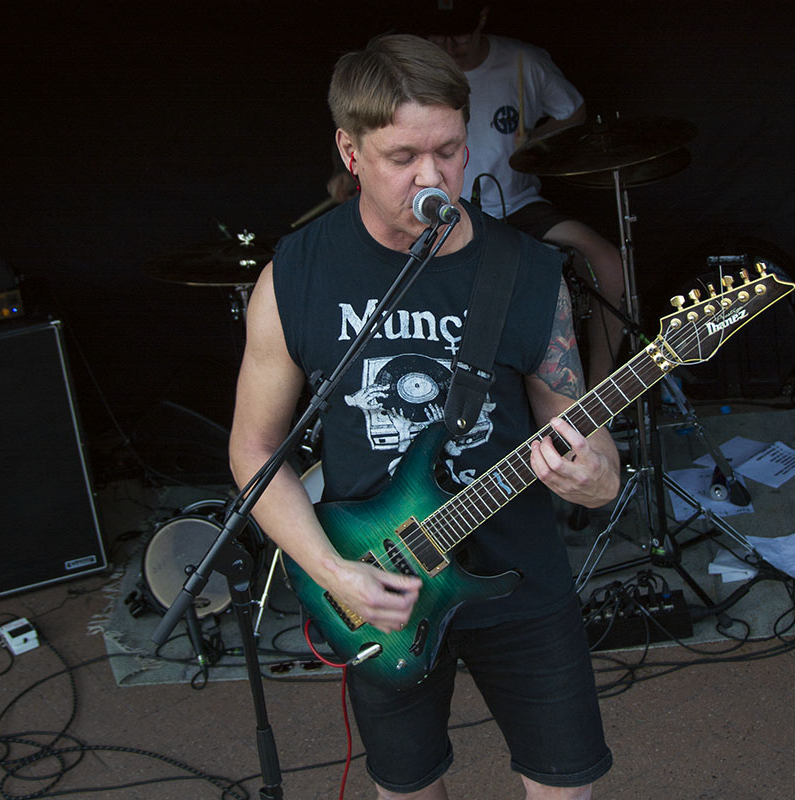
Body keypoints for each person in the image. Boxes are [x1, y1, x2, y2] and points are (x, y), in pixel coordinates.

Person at [230, 33, 619, 800]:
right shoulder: (297, 274)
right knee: (407, 788)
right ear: (350, 151)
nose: (432, 176)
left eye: (449, 150)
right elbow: (254, 450)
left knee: (564, 784)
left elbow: (582, 428)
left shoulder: (526, 271)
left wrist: (598, 478)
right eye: (403, 156)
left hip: (519, 577)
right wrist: (333, 572)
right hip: (374, 577)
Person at [415, 2, 625, 385]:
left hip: (519, 206)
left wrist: (536, 140)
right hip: (444, 210)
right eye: (437, 36)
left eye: (458, 35)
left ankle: (599, 392)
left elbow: (572, 110)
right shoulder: (413, 69)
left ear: (481, 17)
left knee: (606, 262)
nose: (447, 46)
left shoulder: (523, 61)